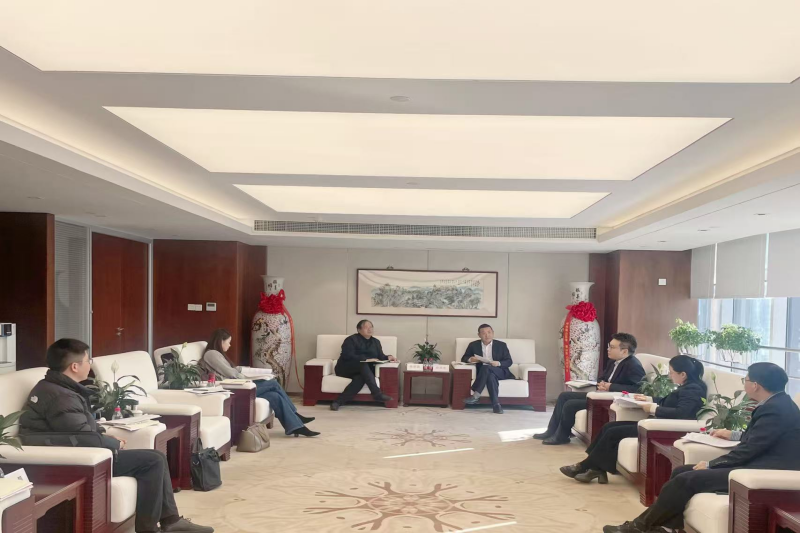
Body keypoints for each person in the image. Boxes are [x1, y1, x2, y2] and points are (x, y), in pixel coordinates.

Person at [19, 339, 213, 533]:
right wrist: (112, 444)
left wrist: (106, 435)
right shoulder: (61, 396)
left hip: (80, 449)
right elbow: (81, 437)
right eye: (88, 360)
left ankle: (169, 521)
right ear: (75, 366)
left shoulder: (56, 388)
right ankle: (154, 527)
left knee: (156, 457)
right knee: (153, 461)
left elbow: (79, 428)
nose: (90, 365)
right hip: (75, 459)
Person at [604, 362, 800, 533]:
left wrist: (711, 464)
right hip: (757, 463)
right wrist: (733, 434)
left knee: (686, 479)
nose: (744, 384)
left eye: (745, 380)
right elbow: (763, 437)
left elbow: (751, 448)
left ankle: (639, 527)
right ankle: (665, 527)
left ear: (755, 385)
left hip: (762, 470)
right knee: (681, 471)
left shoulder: (775, 409)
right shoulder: (778, 403)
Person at [561, 354, 706, 484]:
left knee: (613, 433)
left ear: (683, 374)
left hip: (664, 428)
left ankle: (585, 466)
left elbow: (682, 413)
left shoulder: (693, 389)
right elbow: (670, 403)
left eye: (672, 372)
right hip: (657, 423)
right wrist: (648, 399)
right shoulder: (688, 386)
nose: (669, 375)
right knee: (608, 427)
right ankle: (595, 469)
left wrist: (653, 408)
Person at [199, 328, 319, 437]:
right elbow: (231, 373)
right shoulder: (211, 354)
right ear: (221, 341)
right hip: (234, 388)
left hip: (238, 385)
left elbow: (232, 370)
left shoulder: (216, 354)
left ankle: (295, 427)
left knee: (274, 396)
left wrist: (244, 371)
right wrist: (247, 378)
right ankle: (295, 415)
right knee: (273, 383)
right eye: (228, 342)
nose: (229, 345)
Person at [535, 332, 645, 444]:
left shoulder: (633, 365)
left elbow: (638, 389)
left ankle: (561, 436)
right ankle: (551, 431)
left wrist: (611, 386)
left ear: (624, 351)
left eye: (612, 347)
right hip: (601, 395)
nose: (608, 349)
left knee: (570, 404)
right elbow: (602, 378)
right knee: (564, 396)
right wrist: (601, 383)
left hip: (611, 400)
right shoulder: (613, 361)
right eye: (609, 346)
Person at [331, 320, 397, 411]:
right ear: (359, 330)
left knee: (361, 378)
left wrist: (388, 357)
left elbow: (381, 356)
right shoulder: (351, 340)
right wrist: (365, 359)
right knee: (362, 364)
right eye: (366, 327)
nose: (369, 329)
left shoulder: (376, 342)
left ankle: (337, 402)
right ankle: (377, 394)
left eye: (371, 327)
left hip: (363, 371)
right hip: (346, 368)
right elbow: (347, 355)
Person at [461, 324, 514, 414]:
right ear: (479, 335)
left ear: (493, 333)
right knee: (490, 376)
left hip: (500, 371)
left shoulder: (501, 345)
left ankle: (476, 395)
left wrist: (498, 363)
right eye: (483, 333)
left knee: (487, 368)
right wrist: (471, 359)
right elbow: (464, 358)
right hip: (484, 373)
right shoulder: (473, 345)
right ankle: (496, 406)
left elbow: (509, 361)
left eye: (489, 332)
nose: (487, 335)